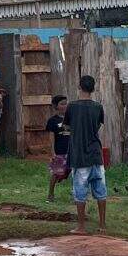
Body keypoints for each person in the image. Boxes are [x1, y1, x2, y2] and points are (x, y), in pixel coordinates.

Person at [63, 75, 107, 234]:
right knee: (100, 191)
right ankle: (102, 225)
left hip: (80, 155)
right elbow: (99, 125)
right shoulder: (98, 107)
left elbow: (67, 126)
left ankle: (81, 227)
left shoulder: (71, 107)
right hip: (96, 153)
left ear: (79, 86)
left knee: (80, 192)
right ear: (93, 89)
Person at [45, 95, 71, 201]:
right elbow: (51, 137)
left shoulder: (72, 118)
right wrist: (52, 152)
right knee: (56, 173)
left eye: (66, 103)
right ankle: (50, 194)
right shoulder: (52, 121)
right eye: (62, 104)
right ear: (56, 106)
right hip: (60, 151)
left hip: (72, 151)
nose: (65, 106)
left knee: (75, 173)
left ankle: (76, 195)